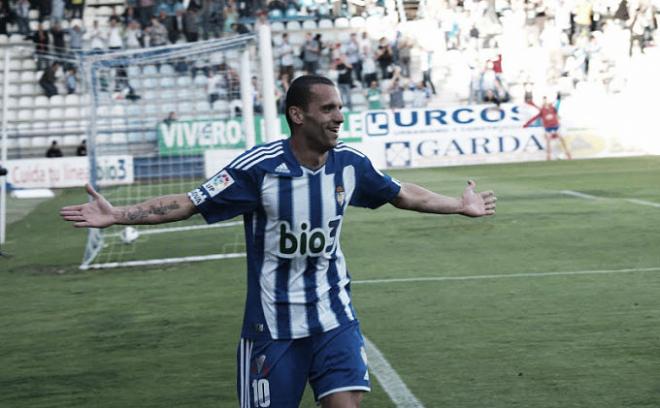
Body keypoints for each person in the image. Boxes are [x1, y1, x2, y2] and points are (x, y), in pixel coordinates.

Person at [59, 75, 497, 408]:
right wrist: (119, 215)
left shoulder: (350, 163)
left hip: (334, 317)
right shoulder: (260, 168)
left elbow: (401, 193)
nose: (339, 117)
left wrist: (459, 206)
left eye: (340, 108)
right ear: (297, 115)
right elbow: (190, 202)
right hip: (272, 329)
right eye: (327, 109)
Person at [523, 93, 572, 161]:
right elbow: (535, 117)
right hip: (548, 128)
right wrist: (527, 124)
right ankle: (549, 156)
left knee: (561, 140)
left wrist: (558, 99)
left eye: (546, 100)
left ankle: (568, 154)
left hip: (555, 126)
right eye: (544, 101)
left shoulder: (552, 109)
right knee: (548, 142)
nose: (545, 102)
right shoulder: (542, 110)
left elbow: (557, 106)